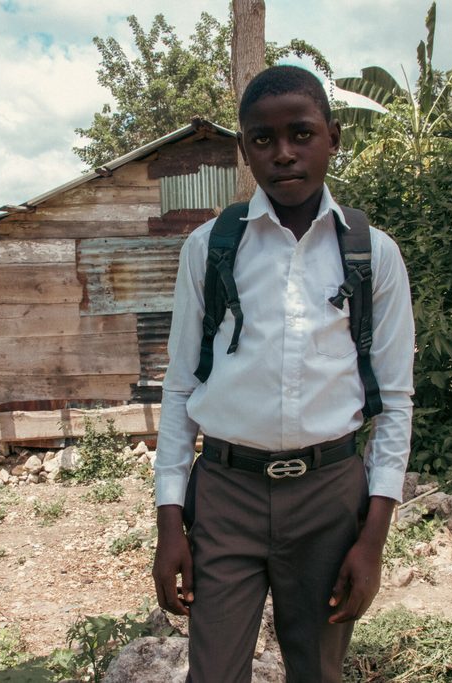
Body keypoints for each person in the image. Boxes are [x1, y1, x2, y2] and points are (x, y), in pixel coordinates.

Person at [152, 64, 415, 683]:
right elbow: (181, 386)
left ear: (334, 136)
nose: (284, 153)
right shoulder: (210, 248)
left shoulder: (371, 253)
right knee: (212, 673)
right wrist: (169, 522)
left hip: (330, 496)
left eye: (301, 133)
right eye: (262, 140)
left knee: (317, 671)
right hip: (224, 492)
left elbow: (396, 402)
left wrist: (372, 539)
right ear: (244, 149)